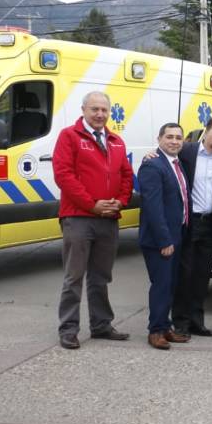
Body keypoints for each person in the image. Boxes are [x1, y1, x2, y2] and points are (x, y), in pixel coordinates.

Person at [53, 91, 133, 350]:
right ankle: (68, 329)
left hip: (108, 218)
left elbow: (126, 175)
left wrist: (120, 201)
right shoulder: (69, 136)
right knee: (73, 276)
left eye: (104, 110)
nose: (100, 114)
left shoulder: (116, 141)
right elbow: (64, 175)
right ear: (84, 110)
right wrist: (92, 204)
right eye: (94, 109)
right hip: (78, 218)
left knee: (101, 276)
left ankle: (101, 325)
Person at [172, 116, 212, 337]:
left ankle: (197, 321)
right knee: (184, 274)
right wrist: (151, 155)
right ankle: (180, 322)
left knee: (202, 275)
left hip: (211, 223)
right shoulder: (186, 152)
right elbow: (165, 157)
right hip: (189, 221)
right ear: (206, 132)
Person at [137, 123, 192, 350]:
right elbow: (153, 207)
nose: (174, 141)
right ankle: (156, 331)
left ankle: (165, 326)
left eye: (178, 137)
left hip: (177, 234)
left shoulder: (176, 164)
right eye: (169, 137)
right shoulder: (153, 165)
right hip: (161, 239)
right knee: (161, 285)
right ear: (159, 139)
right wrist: (164, 241)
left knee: (170, 285)